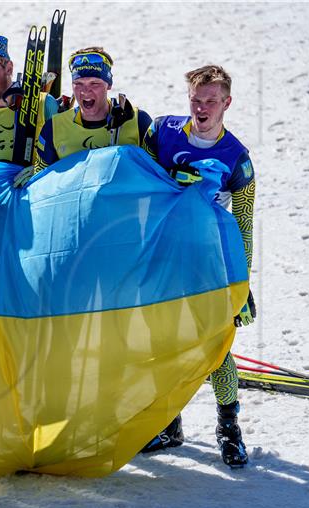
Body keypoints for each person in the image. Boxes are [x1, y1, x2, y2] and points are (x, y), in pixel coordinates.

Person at [141, 64, 256, 468]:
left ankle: (229, 430)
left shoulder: (238, 160)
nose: (202, 107)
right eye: (196, 99)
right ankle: (168, 423)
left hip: (207, 262)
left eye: (211, 101)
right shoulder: (163, 132)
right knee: (162, 343)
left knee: (215, 348)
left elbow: (244, 227)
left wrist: (242, 285)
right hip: (163, 255)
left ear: (227, 103)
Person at [30, 47, 152, 180]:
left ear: (109, 84)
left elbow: (157, 175)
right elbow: (41, 179)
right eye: (78, 83)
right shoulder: (54, 127)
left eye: (94, 83)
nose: (85, 91)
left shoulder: (138, 121)